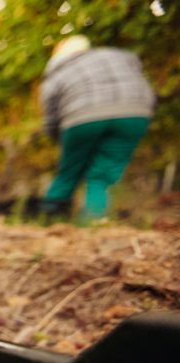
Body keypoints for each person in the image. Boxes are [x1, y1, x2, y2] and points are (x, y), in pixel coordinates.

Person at [39, 35, 155, 223]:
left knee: (68, 172)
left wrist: (59, 139)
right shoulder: (117, 56)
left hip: (81, 116)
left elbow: (51, 113)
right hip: (134, 111)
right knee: (102, 176)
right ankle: (93, 222)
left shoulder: (58, 70)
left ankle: (50, 220)